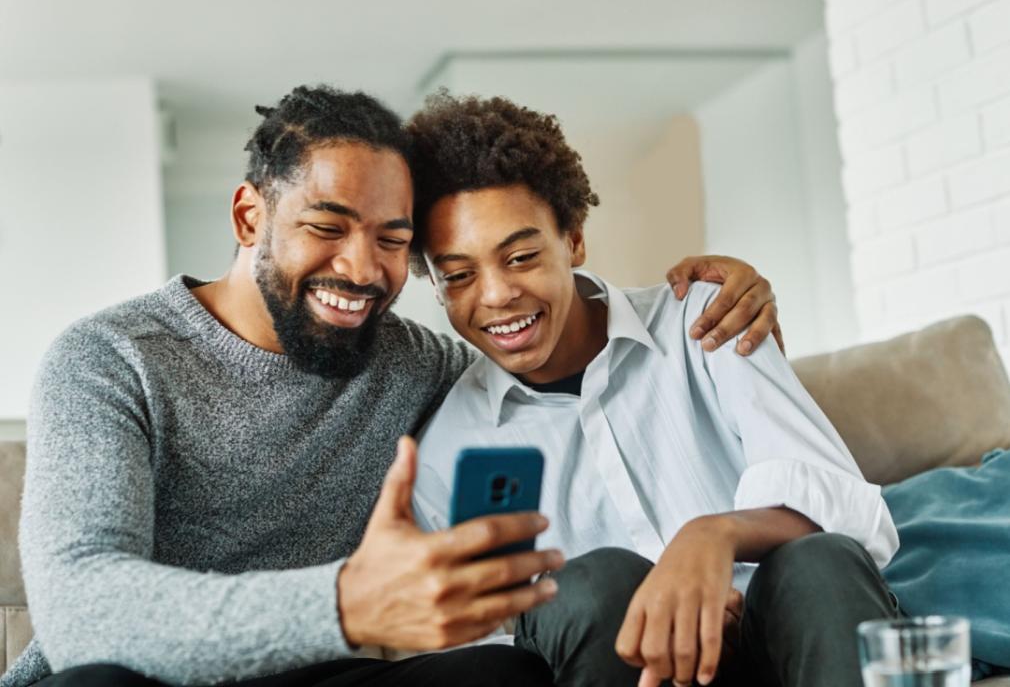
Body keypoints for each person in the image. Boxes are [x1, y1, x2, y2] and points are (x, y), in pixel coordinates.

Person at [1, 85, 780, 687]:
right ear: (249, 216)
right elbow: (81, 615)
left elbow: (552, 362)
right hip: (126, 679)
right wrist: (343, 603)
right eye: (327, 226)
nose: (363, 269)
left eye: (394, 240)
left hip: (313, 678)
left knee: (502, 674)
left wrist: (704, 298)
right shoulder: (109, 360)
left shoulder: (414, 363)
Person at [407, 92, 901, 687]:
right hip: (630, 671)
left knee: (820, 560)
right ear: (435, 285)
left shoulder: (708, 320)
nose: (495, 295)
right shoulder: (452, 452)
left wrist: (714, 535)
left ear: (574, 240)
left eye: (522, 256)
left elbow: (850, 513)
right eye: (458, 276)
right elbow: (484, 649)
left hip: (788, 643)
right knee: (595, 584)